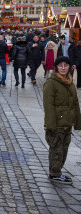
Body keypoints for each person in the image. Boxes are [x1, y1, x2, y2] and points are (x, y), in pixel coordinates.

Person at [43, 56, 81, 185]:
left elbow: (75, 103)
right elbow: (48, 105)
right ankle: (54, 174)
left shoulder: (69, 81)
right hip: (57, 124)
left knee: (64, 149)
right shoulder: (51, 83)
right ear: (56, 67)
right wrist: (51, 126)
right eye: (61, 65)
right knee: (56, 149)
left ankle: (58, 171)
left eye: (66, 65)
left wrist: (77, 121)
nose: (63, 68)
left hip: (67, 123)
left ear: (70, 67)